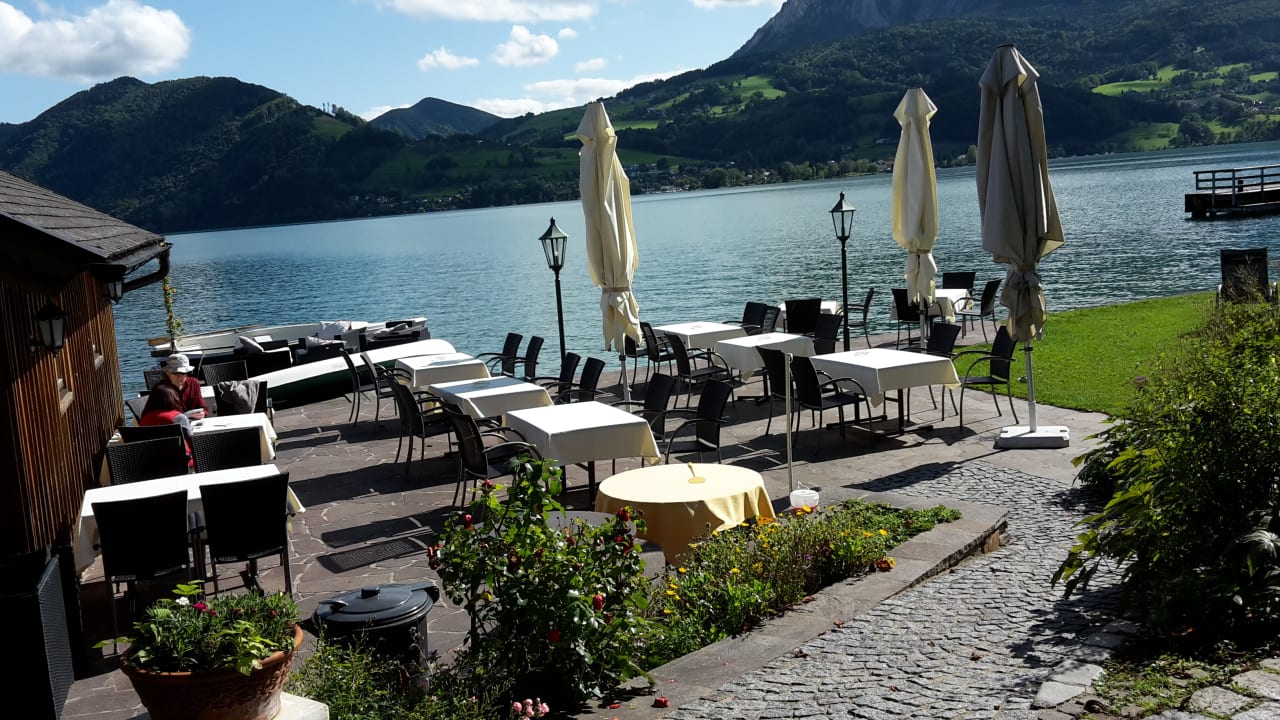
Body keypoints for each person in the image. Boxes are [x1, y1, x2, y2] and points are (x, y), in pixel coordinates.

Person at [146, 353, 209, 420]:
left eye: (183, 373)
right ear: (168, 373)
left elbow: (203, 407)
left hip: (193, 422)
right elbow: (153, 416)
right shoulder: (160, 390)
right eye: (176, 373)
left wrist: (203, 413)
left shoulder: (194, 383)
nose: (180, 378)